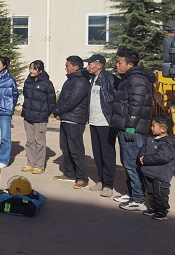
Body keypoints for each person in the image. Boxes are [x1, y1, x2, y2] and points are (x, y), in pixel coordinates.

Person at [110, 48, 155, 211]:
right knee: (127, 161)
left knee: (132, 163)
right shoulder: (130, 77)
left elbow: (136, 104)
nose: (117, 65)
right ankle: (131, 193)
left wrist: (130, 126)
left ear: (130, 64)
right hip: (126, 126)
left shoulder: (136, 79)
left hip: (132, 129)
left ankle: (138, 199)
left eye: (119, 62)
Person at [52, 55, 90, 189]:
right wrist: (57, 111)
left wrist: (58, 110)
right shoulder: (70, 80)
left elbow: (72, 101)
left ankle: (82, 177)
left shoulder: (81, 82)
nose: (65, 68)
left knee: (76, 150)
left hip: (75, 120)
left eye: (67, 65)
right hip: (66, 118)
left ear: (76, 67)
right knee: (65, 148)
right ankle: (69, 173)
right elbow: (62, 99)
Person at [84, 54, 119, 197]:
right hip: (94, 121)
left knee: (107, 154)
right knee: (97, 154)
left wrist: (114, 118)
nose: (88, 66)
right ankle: (101, 180)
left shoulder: (110, 79)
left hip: (106, 122)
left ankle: (108, 185)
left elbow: (117, 100)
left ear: (99, 65)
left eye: (90, 63)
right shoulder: (93, 79)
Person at [20, 60, 56, 174]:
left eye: (34, 69)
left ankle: (39, 165)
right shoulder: (28, 81)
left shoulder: (47, 83)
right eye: (30, 68)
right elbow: (26, 96)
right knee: (30, 141)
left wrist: (45, 113)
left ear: (40, 70)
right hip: (28, 116)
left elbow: (51, 101)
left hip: (40, 117)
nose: (31, 71)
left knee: (39, 141)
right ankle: (30, 163)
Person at [139, 114, 175, 221]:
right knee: (151, 192)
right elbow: (143, 148)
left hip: (161, 175)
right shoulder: (150, 139)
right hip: (149, 172)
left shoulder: (168, 143)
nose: (151, 128)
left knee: (160, 194)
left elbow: (162, 157)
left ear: (163, 129)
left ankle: (162, 211)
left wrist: (145, 159)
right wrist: (141, 156)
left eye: (153, 126)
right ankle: (154, 208)